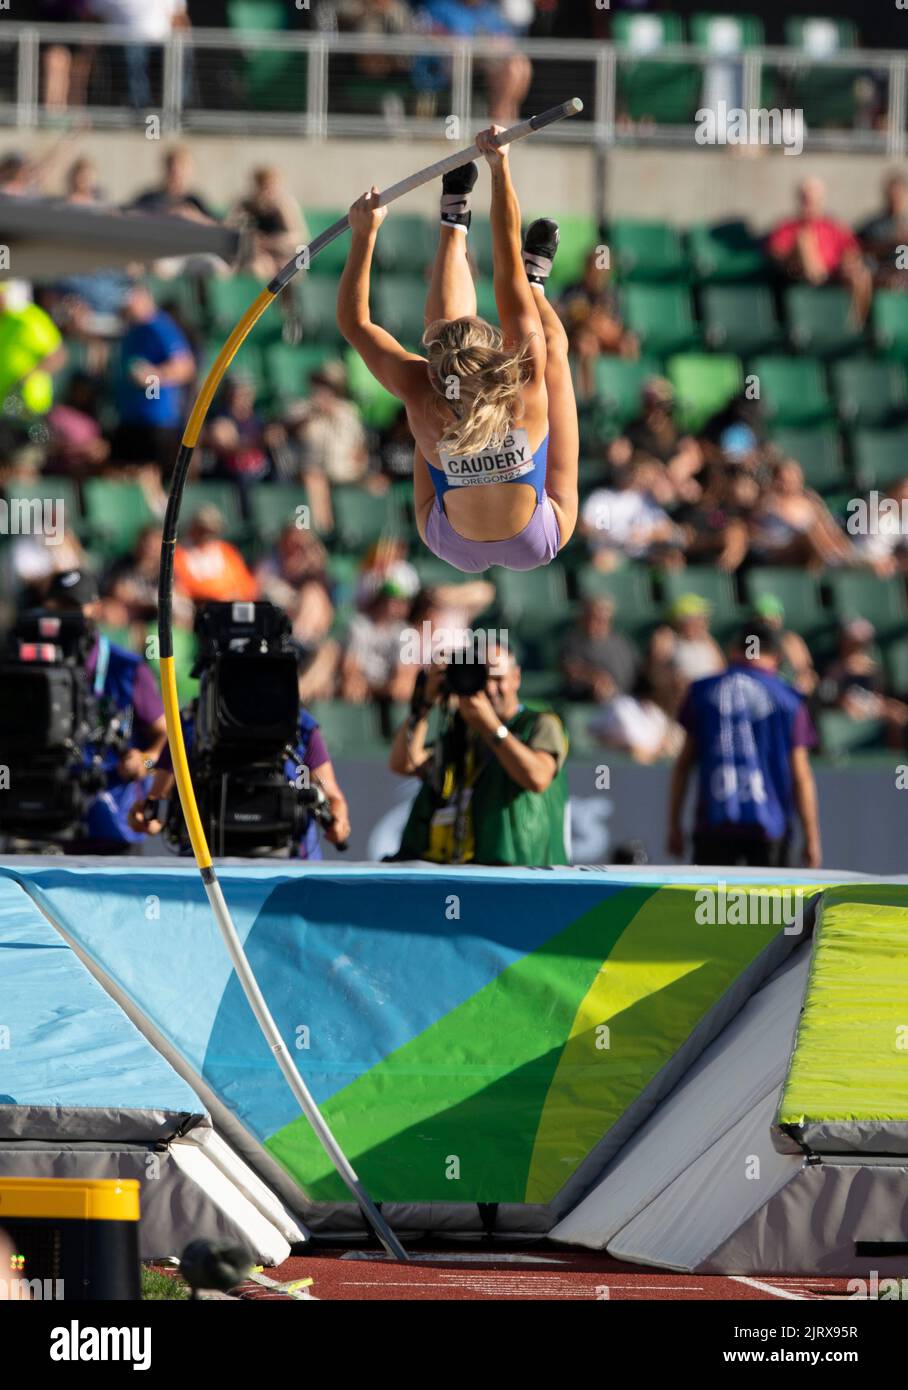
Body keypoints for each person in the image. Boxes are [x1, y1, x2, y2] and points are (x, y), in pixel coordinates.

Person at [337, 126, 579, 573]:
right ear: (493, 353)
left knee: (431, 402)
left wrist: (363, 236)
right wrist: (499, 167)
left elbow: (357, 325)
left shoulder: (420, 386)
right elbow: (506, 266)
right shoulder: (521, 376)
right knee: (555, 356)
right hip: (532, 535)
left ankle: (454, 223)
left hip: (453, 539)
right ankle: (536, 286)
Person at [389, 642, 570, 865]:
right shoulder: (462, 732)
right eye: (482, 678)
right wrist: (425, 703)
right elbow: (403, 764)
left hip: (529, 871)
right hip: (474, 870)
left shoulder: (540, 723)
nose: (490, 689)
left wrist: (491, 728)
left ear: (516, 677)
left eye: (497, 678)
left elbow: (538, 777)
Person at [667, 620, 822, 868]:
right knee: (769, 908)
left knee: (711, 907)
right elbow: (800, 775)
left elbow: (683, 764)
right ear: (776, 657)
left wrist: (674, 824)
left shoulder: (702, 692)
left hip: (714, 825)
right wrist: (812, 838)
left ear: (734, 650)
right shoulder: (788, 700)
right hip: (769, 826)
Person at [130, 695, 351, 859]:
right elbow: (156, 805)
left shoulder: (300, 726)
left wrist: (338, 821)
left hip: (291, 873)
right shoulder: (190, 725)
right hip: (208, 873)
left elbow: (332, 796)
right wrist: (143, 816)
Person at [43, 568, 168, 853]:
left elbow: (168, 738)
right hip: (47, 823)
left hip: (114, 827)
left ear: (95, 609)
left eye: (74, 608)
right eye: (57, 608)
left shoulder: (126, 668)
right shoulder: (33, 667)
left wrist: (145, 762)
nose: (65, 617)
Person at [111, 281, 196, 476]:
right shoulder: (130, 329)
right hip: (130, 417)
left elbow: (185, 366)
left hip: (155, 418)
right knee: (123, 472)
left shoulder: (159, 326)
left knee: (149, 473)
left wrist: (154, 376)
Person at [766, 176, 872, 325]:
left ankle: (854, 327)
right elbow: (777, 255)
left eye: (813, 200)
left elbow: (852, 252)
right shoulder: (786, 228)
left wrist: (848, 265)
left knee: (861, 276)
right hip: (798, 278)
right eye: (806, 199)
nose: (809, 204)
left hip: (834, 277)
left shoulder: (834, 227)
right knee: (803, 239)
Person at [560, 595, 640, 702]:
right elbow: (569, 669)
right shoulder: (573, 642)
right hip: (590, 702)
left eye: (600, 619)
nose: (593, 624)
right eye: (589, 617)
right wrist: (594, 677)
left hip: (628, 700)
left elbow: (639, 671)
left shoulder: (622, 643)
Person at [173, 505, 258, 605]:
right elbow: (183, 588)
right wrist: (216, 596)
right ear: (193, 528)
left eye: (212, 530)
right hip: (197, 606)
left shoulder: (227, 551)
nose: (207, 535)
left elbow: (246, 585)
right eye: (202, 530)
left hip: (229, 605)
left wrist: (234, 595)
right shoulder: (179, 553)